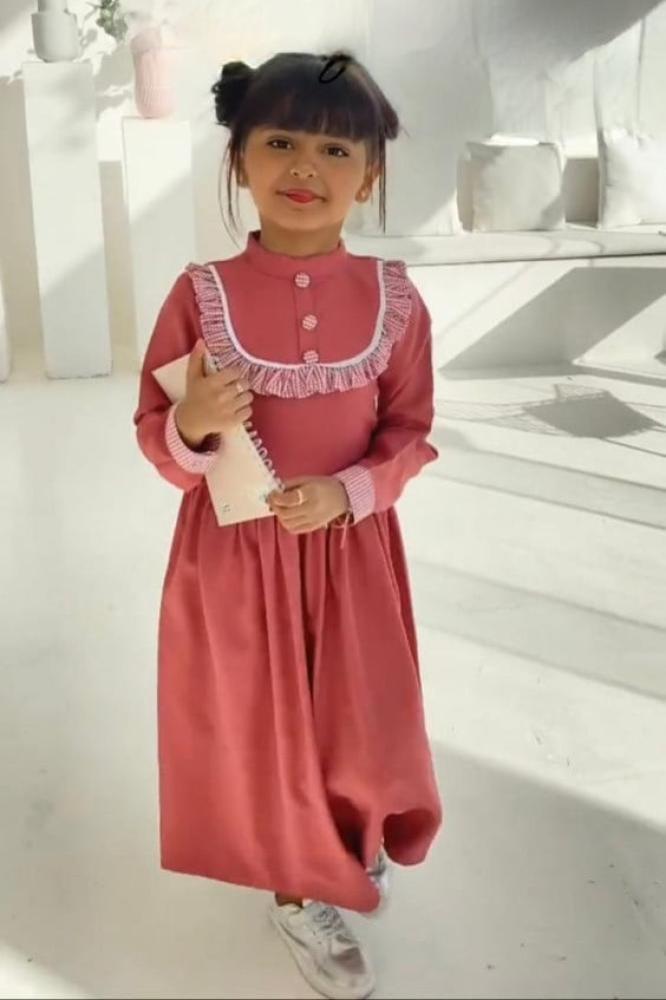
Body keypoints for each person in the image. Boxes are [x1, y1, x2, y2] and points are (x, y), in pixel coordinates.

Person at [133, 49, 443, 1000]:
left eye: (336, 150)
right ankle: (298, 889)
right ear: (239, 160)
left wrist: (349, 492)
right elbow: (156, 436)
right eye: (279, 143)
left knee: (358, 715)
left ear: (370, 175)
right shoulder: (200, 295)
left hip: (352, 554)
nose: (305, 167)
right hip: (235, 562)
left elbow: (410, 432)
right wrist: (193, 422)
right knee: (264, 725)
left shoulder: (393, 299)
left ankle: (349, 837)